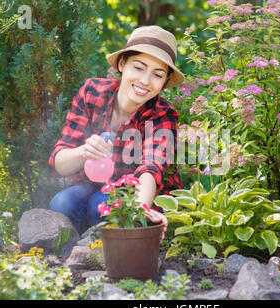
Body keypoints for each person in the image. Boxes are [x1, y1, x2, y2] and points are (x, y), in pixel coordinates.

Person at [48, 25, 185, 238]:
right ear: (122, 64)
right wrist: (84, 151)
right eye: (138, 68)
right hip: (95, 186)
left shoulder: (162, 114)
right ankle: (71, 256)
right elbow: (59, 163)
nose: (145, 81)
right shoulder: (93, 92)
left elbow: (152, 167)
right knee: (62, 202)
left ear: (165, 82)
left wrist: (139, 210)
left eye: (157, 75)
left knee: (100, 208)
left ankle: (108, 253)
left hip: (138, 196)